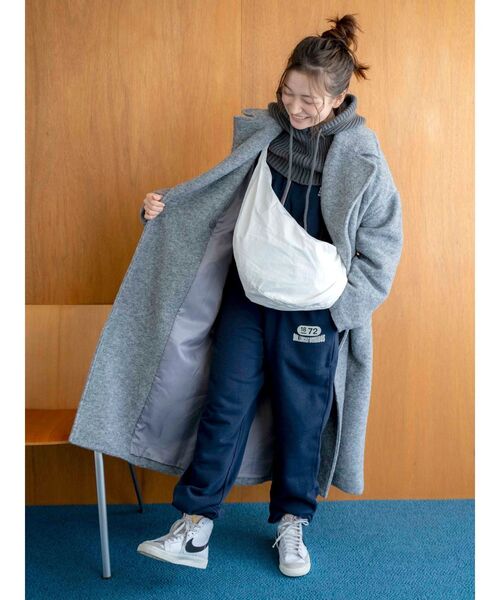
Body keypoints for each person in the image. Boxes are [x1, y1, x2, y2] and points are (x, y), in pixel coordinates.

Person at [137, 14, 372, 577]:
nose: (295, 107)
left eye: (309, 99)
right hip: (248, 298)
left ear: (338, 99)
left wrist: (343, 309)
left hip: (313, 311)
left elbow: (383, 243)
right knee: (224, 406)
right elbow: (215, 197)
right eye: (288, 92)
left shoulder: (360, 156)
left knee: (302, 418)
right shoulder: (262, 134)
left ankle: (293, 523)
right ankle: (195, 526)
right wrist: (165, 209)